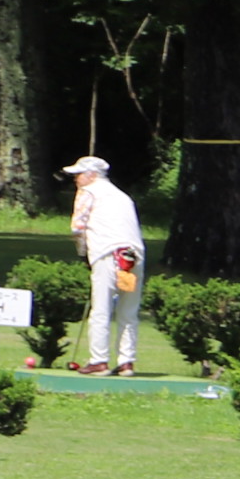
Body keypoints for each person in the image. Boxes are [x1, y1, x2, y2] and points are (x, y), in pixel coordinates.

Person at [65, 154, 143, 374]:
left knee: (101, 308)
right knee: (128, 309)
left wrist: (83, 254)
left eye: (78, 174)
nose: (76, 179)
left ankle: (99, 360)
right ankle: (126, 362)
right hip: (132, 256)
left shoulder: (88, 191)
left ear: (92, 175)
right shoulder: (123, 196)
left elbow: (77, 227)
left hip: (107, 254)